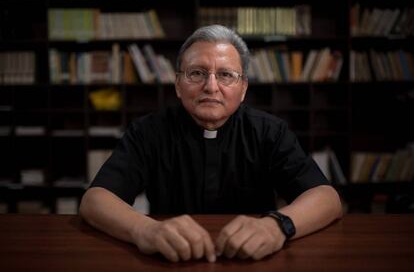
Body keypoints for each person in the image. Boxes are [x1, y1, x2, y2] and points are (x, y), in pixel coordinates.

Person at [79, 24, 343, 263]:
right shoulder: (149, 131)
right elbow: (95, 200)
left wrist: (276, 225)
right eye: (197, 73)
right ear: (178, 85)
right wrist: (146, 229)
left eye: (226, 75)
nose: (211, 86)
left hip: (253, 259)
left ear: (243, 89)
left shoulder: (269, 132)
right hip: (172, 258)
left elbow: (327, 198)